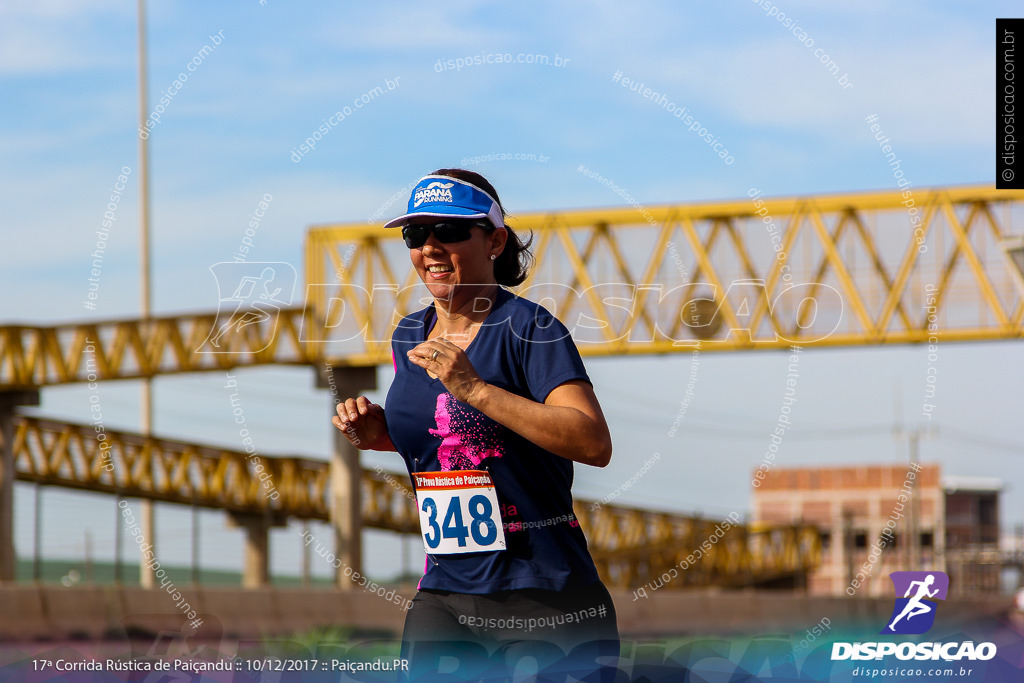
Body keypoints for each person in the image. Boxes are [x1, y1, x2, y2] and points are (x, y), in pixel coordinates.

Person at [333, 169, 620, 681]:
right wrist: (377, 434)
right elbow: (443, 442)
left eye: (449, 230)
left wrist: (475, 390)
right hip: (444, 593)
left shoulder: (530, 329)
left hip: (546, 597)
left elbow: (592, 441)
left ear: (494, 240)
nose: (431, 247)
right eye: (416, 235)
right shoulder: (407, 335)